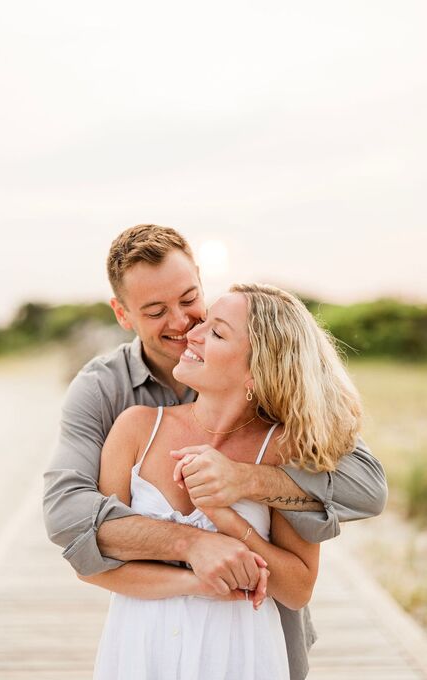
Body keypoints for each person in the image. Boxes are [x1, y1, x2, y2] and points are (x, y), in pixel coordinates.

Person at [43, 224, 387, 680]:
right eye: (155, 310)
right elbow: (69, 519)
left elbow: (365, 490)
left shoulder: (279, 429)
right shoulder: (112, 400)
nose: (185, 325)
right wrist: (197, 550)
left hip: (255, 638)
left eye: (189, 300)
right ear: (123, 314)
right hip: (145, 644)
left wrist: (243, 482)